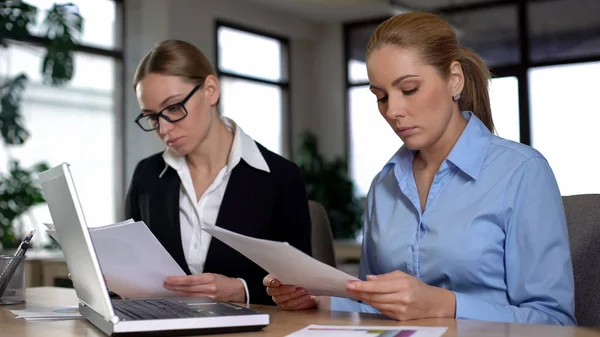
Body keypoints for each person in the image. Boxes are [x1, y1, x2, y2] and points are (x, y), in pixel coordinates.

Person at [264, 12, 576, 325]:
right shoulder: (384, 185)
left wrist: (447, 304)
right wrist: (320, 299)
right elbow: (378, 307)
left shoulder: (522, 172)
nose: (393, 111)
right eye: (381, 97)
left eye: (409, 89)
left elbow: (555, 322)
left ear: (454, 79)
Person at [125, 39, 312, 305]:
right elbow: (135, 267)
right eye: (152, 117)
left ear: (211, 90)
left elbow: (304, 288)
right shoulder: (146, 176)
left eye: (174, 108)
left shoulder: (280, 177)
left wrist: (242, 290)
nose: (164, 129)